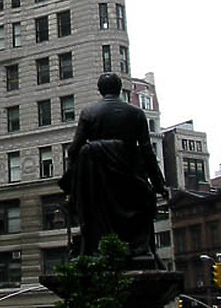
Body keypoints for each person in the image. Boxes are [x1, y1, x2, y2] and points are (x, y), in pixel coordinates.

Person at [59, 72, 168, 263]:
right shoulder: (136, 113)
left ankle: (98, 251)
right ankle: (139, 250)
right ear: (119, 89)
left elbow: (74, 148)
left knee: (96, 214)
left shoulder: (89, 112)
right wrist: (159, 184)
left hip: (96, 178)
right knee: (139, 207)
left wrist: (72, 179)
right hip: (129, 173)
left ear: (100, 90)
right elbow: (147, 151)